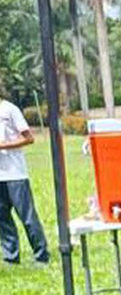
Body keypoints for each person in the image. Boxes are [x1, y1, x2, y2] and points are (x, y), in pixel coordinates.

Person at [0, 82, 49, 265]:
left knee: (27, 217)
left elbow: (29, 138)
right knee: (2, 219)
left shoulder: (9, 109)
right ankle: (11, 256)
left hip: (15, 174)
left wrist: (3, 145)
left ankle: (41, 255)